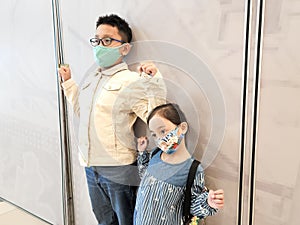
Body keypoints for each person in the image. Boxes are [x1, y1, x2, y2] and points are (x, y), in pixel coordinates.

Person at [58, 14, 166, 225]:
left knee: (127, 221)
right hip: (90, 167)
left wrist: (154, 81)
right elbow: (81, 109)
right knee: (104, 221)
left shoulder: (131, 81)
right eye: (97, 40)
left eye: (107, 40)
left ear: (124, 48)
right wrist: (68, 83)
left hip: (118, 170)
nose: (99, 45)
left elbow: (154, 117)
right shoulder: (92, 79)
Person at [135, 103, 224, 225]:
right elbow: (145, 176)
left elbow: (192, 206)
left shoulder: (192, 169)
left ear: (182, 128)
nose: (159, 139)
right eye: (154, 134)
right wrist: (141, 153)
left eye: (163, 131)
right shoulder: (155, 154)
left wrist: (208, 202)